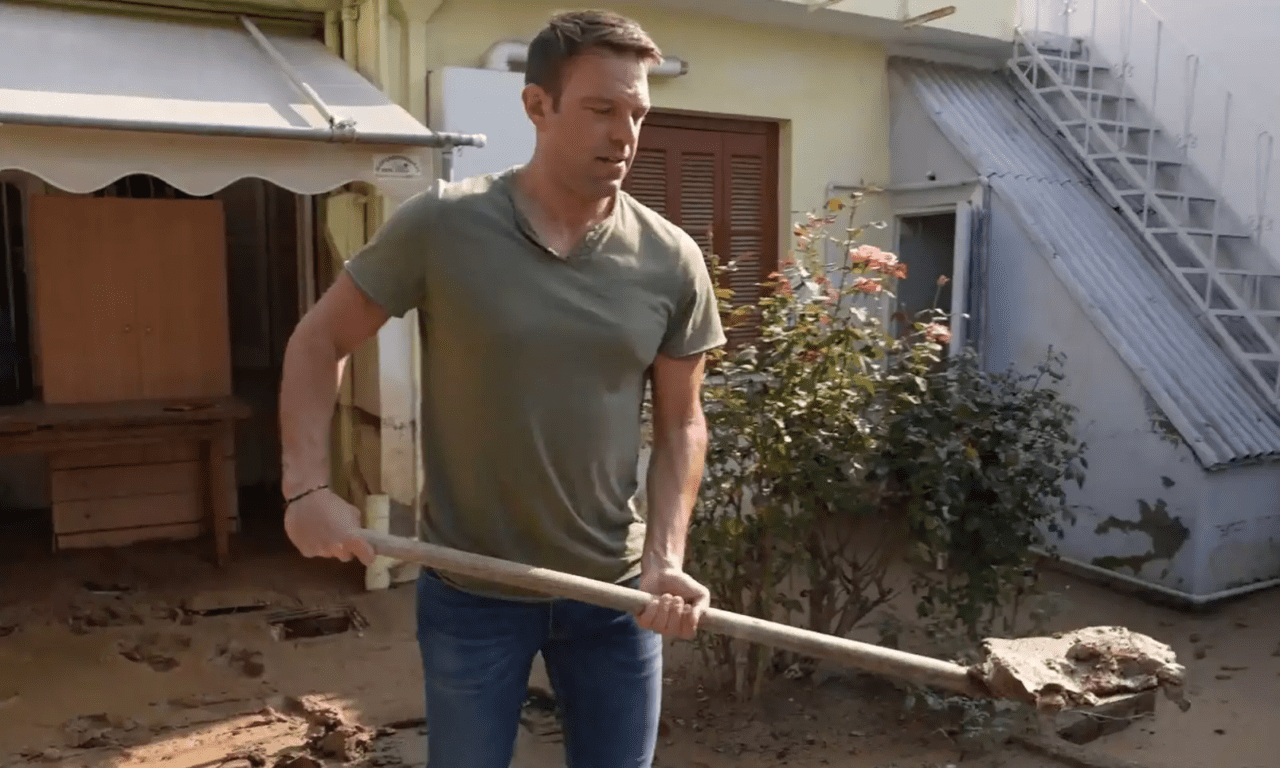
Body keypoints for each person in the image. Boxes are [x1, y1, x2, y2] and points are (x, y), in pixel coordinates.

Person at [277, 9, 726, 768]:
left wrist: (665, 554)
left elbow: (684, 421)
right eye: (601, 109)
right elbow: (319, 341)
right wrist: (306, 486)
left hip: (614, 597)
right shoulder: (442, 226)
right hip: (472, 592)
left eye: (638, 113)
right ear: (536, 106)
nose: (624, 134)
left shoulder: (670, 259)